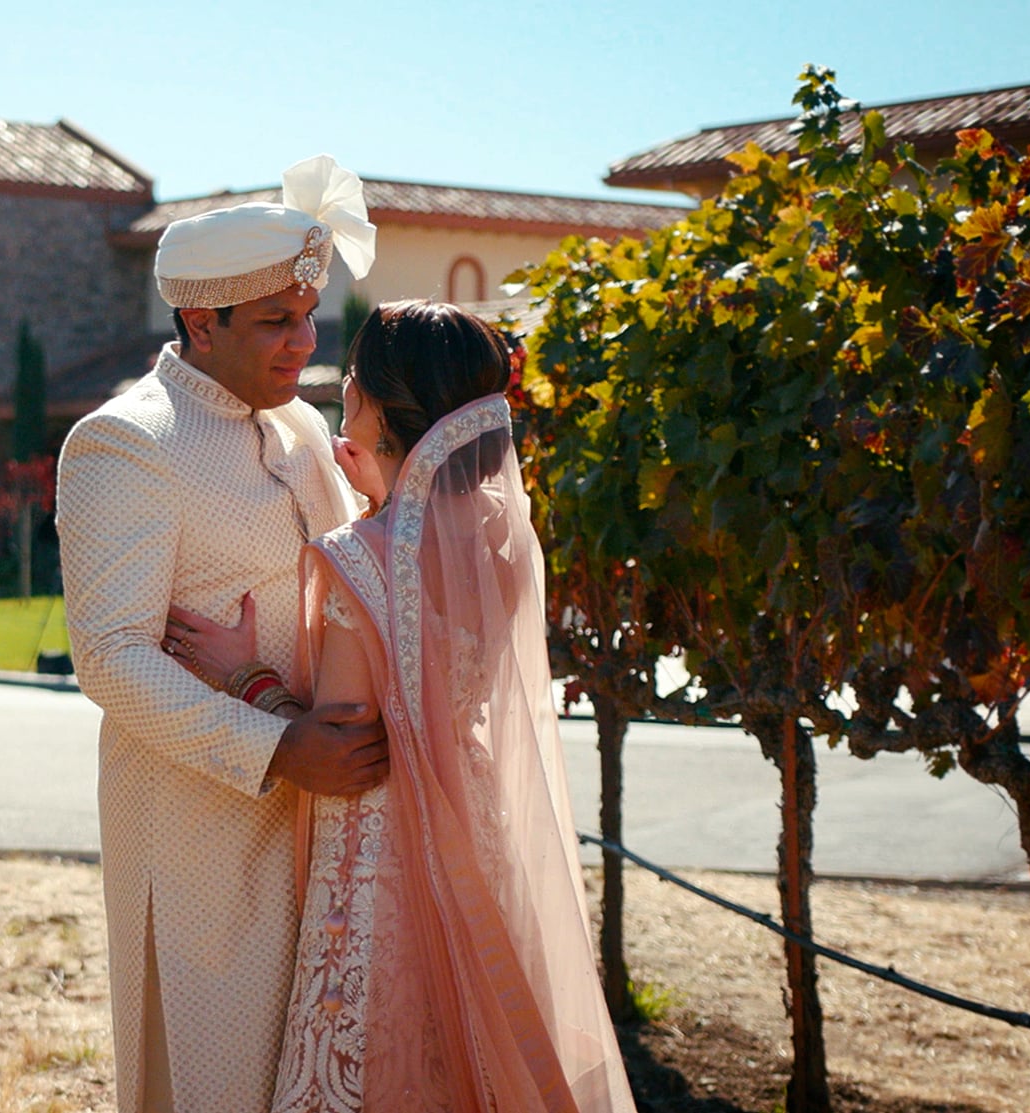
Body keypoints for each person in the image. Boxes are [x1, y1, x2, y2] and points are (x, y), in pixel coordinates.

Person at [166, 300, 637, 1111]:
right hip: (473, 823)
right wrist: (384, 491)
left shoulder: (360, 557)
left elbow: (345, 740)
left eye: (353, 378)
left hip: (376, 851)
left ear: (382, 407)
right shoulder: (498, 541)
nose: (342, 388)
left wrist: (245, 676)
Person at [55, 155, 389, 1113]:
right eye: (276, 321)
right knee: (209, 1081)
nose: (304, 341)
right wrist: (277, 745)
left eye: (308, 315)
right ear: (201, 323)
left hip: (328, 820)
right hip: (197, 826)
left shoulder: (302, 429)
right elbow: (109, 657)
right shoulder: (126, 441)